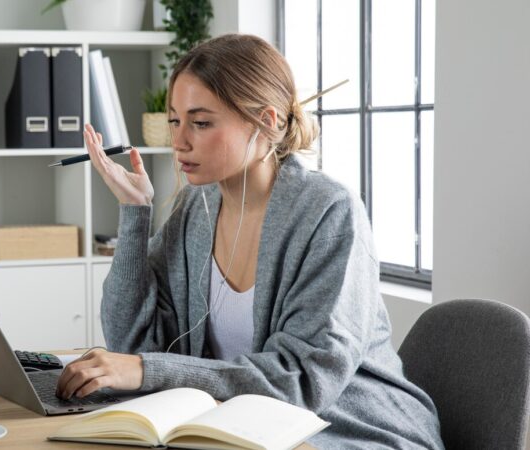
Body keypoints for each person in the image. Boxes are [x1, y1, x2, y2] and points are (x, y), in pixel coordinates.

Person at [55, 33, 443, 449]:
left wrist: (148, 370)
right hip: (241, 429)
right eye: (174, 120)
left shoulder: (329, 212)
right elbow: (132, 347)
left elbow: (302, 383)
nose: (180, 140)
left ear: (268, 122)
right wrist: (135, 214)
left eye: (201, 123)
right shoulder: (194, 208)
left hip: (350, 431)